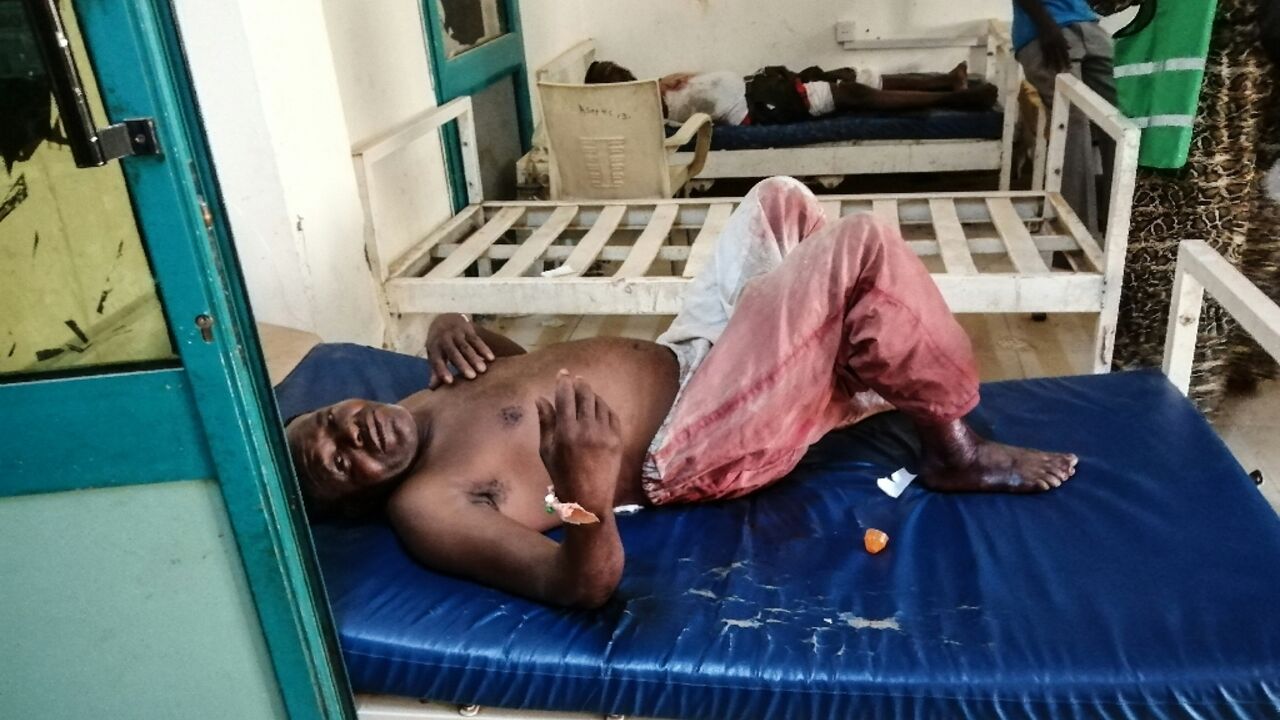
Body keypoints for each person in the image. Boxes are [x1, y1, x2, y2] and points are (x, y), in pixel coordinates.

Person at [287, 177, 1078, 609]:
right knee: (858, 248)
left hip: (687, 354)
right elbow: (581, 586)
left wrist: (454, 325)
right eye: (338, 463)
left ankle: (836, 365)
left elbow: (524, 384)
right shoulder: (430, 508)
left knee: (780, 200)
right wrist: (589, 492)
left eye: (329, 422)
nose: (350, 435)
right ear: (361, 499)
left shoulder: (420, 399)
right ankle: (954, 446)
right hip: (694, 440)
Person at [583, 60, 998, 127]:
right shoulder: (648, 117)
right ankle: (952, 98)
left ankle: (945, 82)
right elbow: (723, 120)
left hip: (759, 86)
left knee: (844, 74)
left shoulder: (657, 90)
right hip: (761, 106)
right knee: (849, 92)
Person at [1013, 0, 1117, 232]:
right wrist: (1046, 26)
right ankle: (1074, 234)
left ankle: (1122, 226)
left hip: (1089, 25)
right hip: (1043, 31)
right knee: (1072, 124)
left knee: (1122, 118)